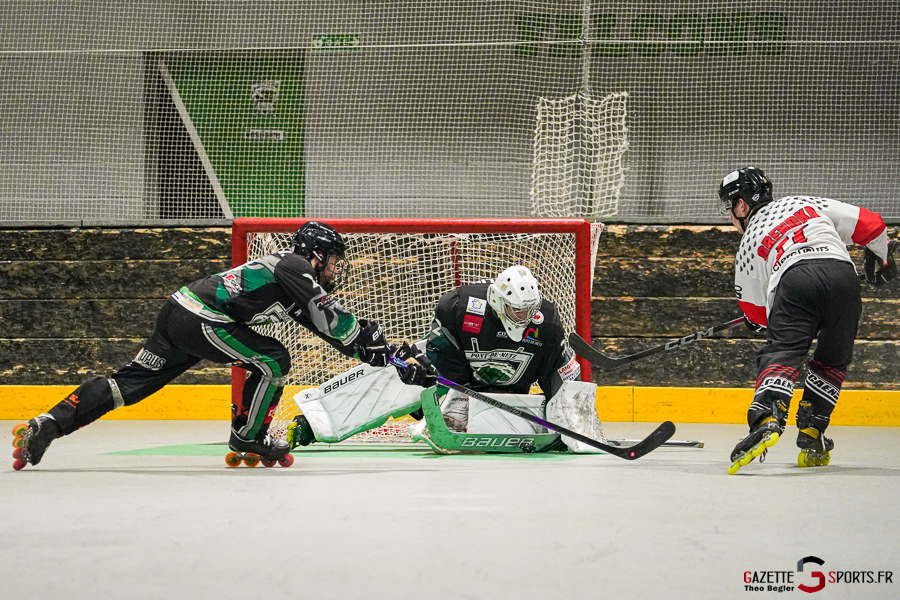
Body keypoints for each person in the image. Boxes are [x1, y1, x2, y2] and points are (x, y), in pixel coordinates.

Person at [12, 221, 392, 470]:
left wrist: (383, 354)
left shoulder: (294, 285)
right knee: (274, 359)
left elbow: (330, 331)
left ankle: (50, 423)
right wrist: (366, 335)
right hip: (201, 317)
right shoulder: (295, 265)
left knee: (126, 387)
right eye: (335, 261)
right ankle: (249, 436)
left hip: (179, 312)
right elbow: (332, 318)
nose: (336, 270)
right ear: (318, 254)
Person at [718, 167, 896, 475]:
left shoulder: (748, 244)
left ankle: (768, 416)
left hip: (795, 279)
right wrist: (882, 256)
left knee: (783, 351)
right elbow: (871, 224)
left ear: (742, 206)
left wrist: (757, 322)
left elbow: (757, 314)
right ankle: (813, 429)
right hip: (842, 277)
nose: (730, 216)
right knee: (832, 359)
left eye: (729, 207)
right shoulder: (804, 202)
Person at [422, 264, 582, 434]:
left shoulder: (546, 320)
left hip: (512, 395)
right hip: (462, 386)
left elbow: (557, 367)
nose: (524, 317)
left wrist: (570, 412)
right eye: (517, 310)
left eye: (529, 310)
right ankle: (454, 406)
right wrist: (458, 391)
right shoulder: (460, 307)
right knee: (411, 373)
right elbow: (442, 353)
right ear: (498, 301)